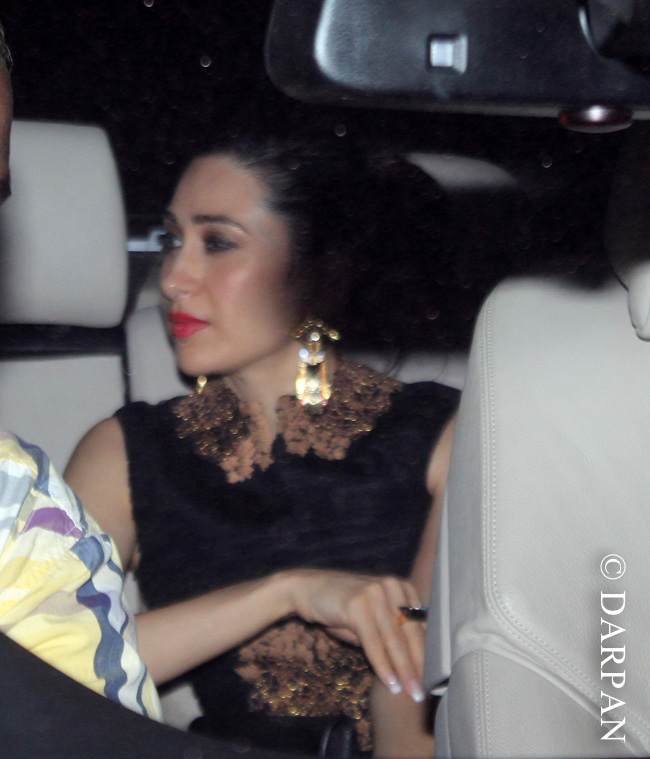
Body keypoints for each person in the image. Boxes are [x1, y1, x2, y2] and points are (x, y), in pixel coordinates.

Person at [66, 133, 458, 758]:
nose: (173, 279)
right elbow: (54, 660)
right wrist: (286, 591)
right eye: (171, 240)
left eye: (217, 243)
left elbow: (421, 677)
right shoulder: (125, 451)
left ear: (321, 267)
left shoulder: (442, 431)